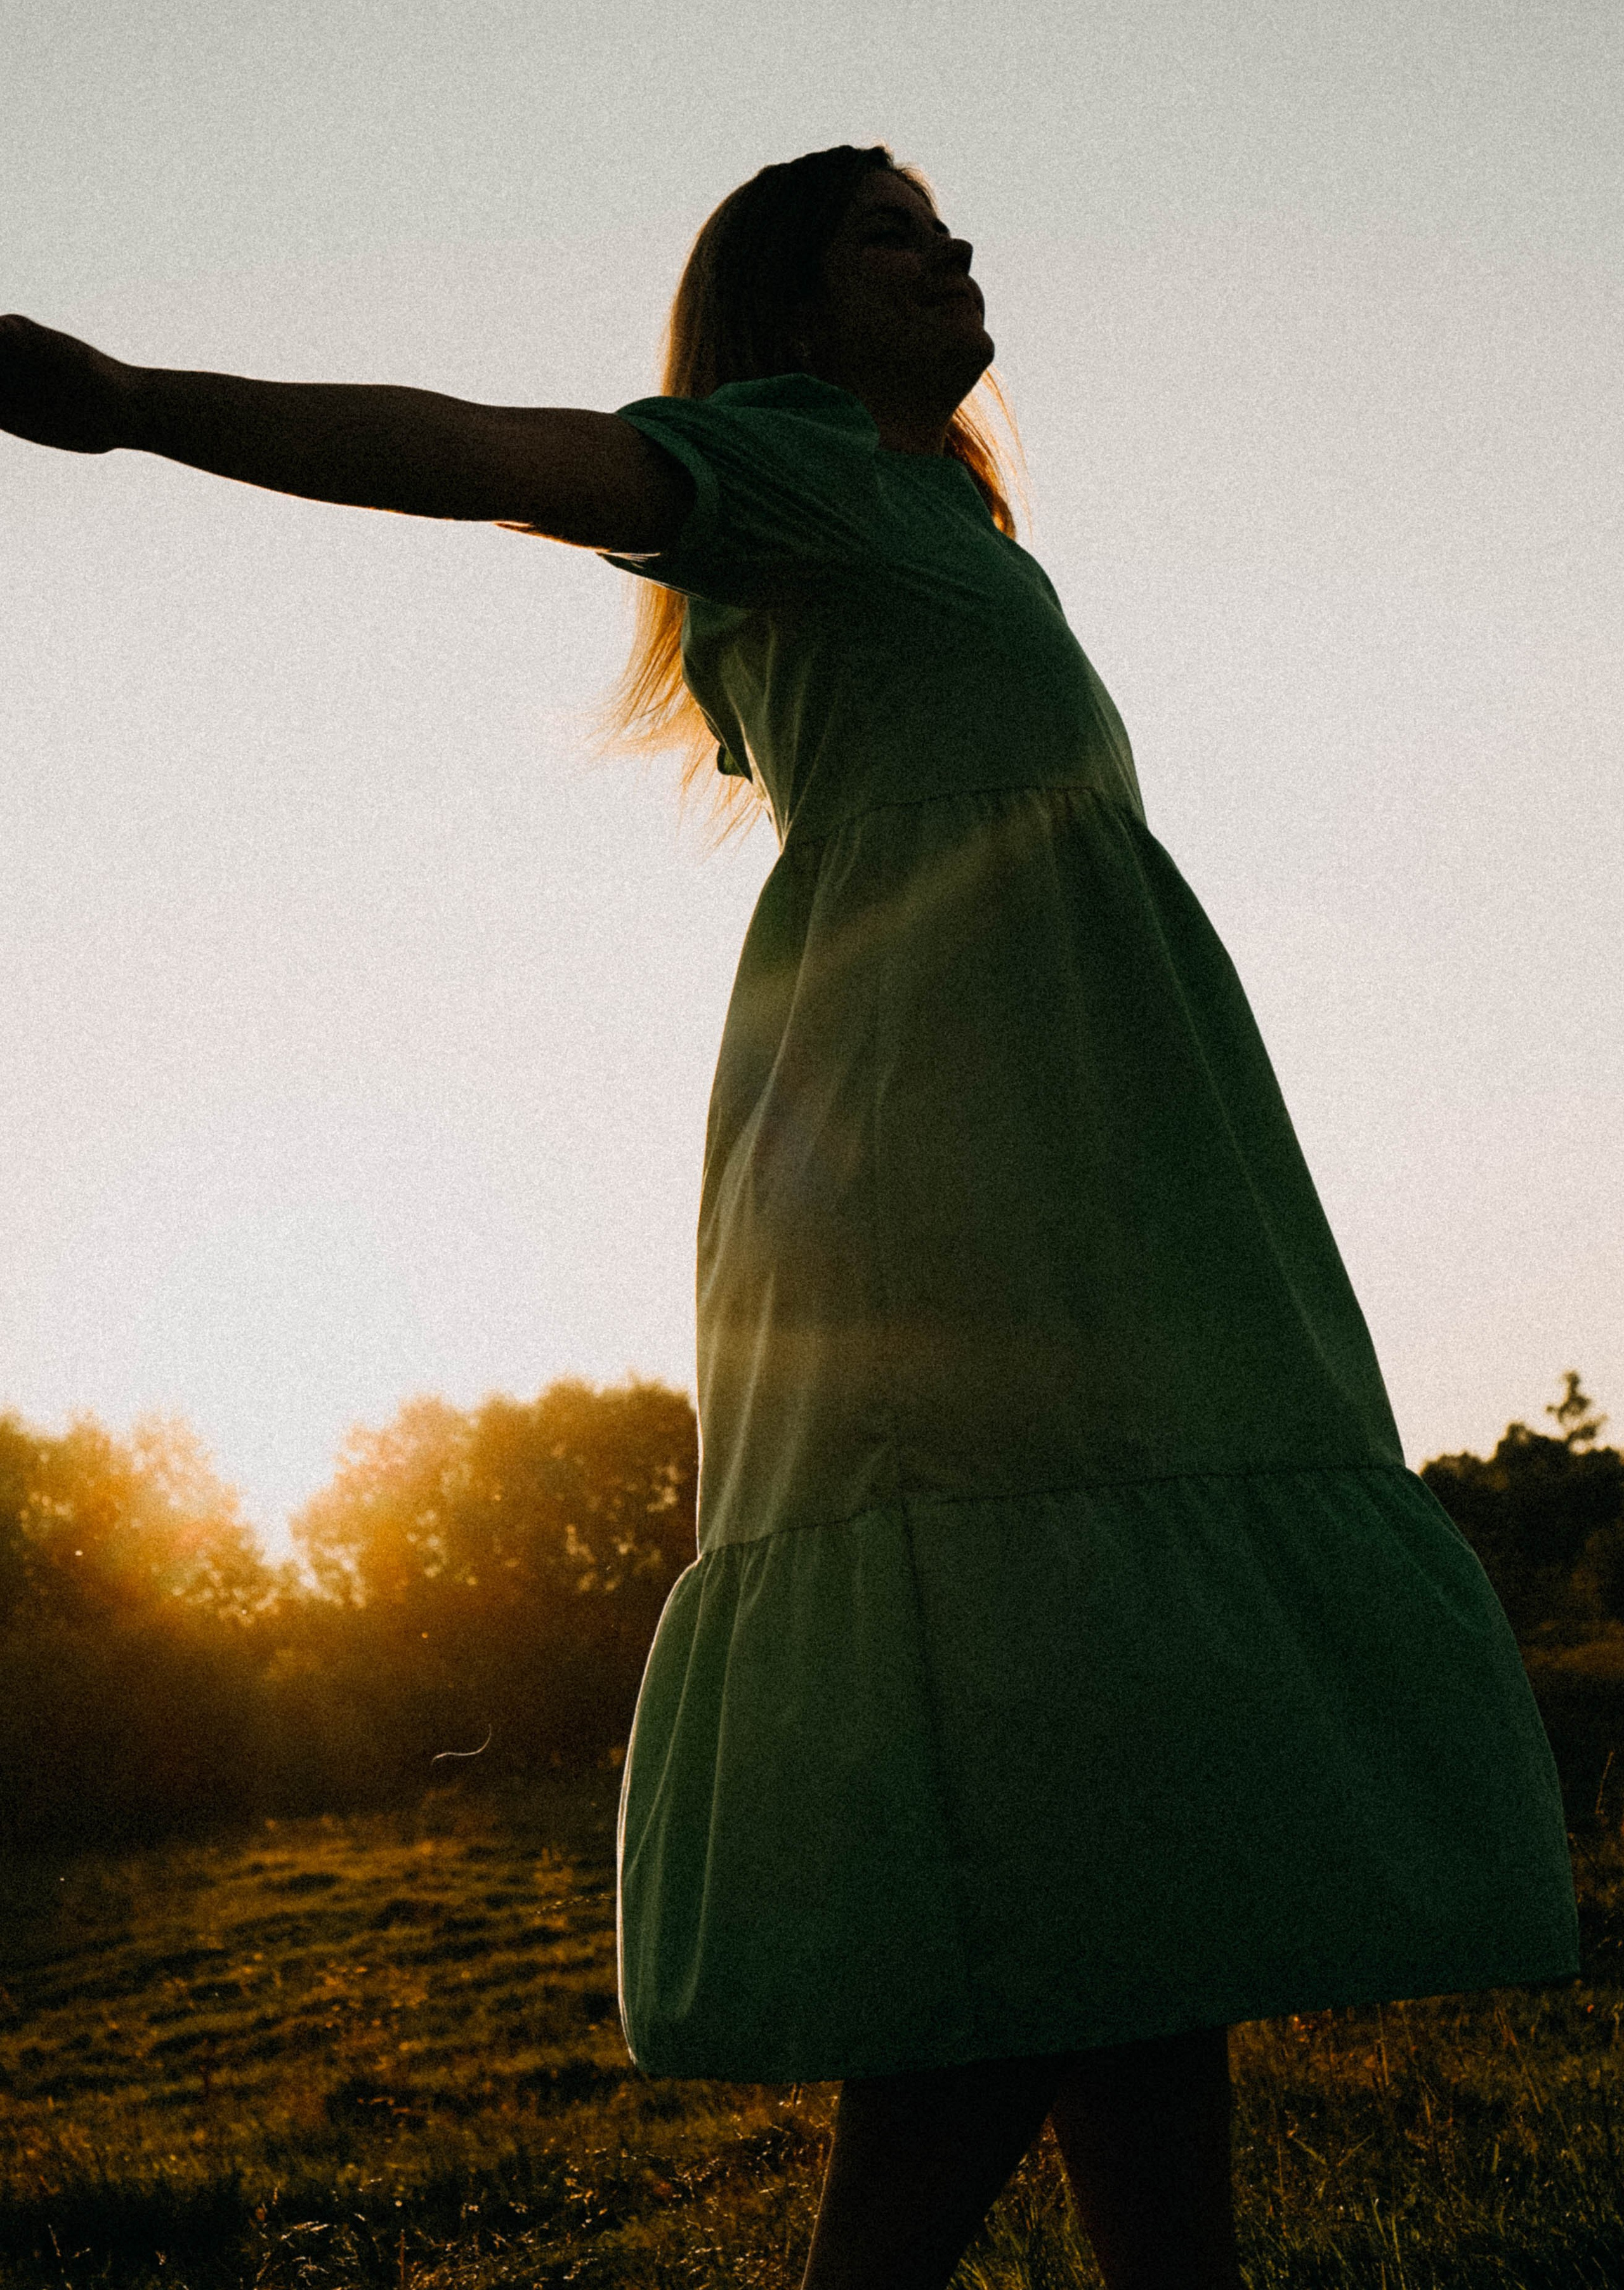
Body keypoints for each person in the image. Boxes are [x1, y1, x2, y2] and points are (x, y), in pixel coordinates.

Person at [0, 145, 1579, 2290]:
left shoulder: (941, 522)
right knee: (1055, 1778)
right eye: (889, 234)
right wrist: (124, 400)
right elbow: (480, 456)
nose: (953, 250)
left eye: (945, 222)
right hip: (960, 1166)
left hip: (1119, 1157)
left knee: (1130, 1816)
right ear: (792, 313)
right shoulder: (792, 468)